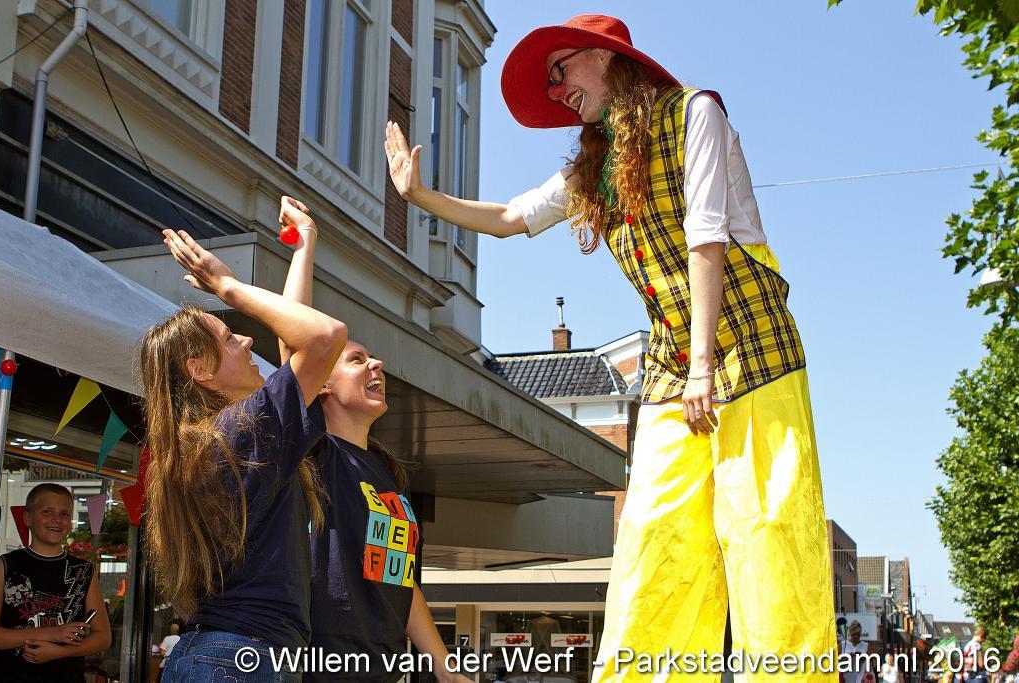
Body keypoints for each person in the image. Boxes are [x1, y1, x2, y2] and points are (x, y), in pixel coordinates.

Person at [386, 12, 835, 682]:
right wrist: (420, 194)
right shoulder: (595, 170)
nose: (555, 88)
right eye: (550, 80)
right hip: (672, 363)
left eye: (560, 69)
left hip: (751, 348)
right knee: (653, 536)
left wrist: (705, 366)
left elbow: (706, 238)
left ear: (604, 58)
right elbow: (509, 218)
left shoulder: (696, 114)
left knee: (764, 533)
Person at [143, 207, 347, 682]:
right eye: (229, 337)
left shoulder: (215, 438)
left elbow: (300, 348)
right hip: (241, 657)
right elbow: (324, 337)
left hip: (219, 654)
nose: (247, 339)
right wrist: (226, 286)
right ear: (198, 369)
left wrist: (304, 245)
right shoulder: (239, 430)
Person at [276, 198, 470, 683]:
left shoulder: (386, 475)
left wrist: (444, 669)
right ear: (321, 384)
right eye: (357, 359)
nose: (377, 364)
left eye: (373, 359)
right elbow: (296, 339)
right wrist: (305, 243)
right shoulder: (315, 451)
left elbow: (401, 581)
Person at [0, 483, 112, 682]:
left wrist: (61, 652)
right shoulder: (5, 565)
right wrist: (54, 633)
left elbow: (103, 637)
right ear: (27, 518)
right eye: (47, 512)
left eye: (64, 513)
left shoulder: (83, 571)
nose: (56, 519)